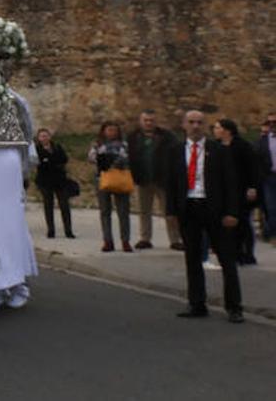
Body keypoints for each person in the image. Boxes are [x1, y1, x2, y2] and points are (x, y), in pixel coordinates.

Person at [166, 110, 243, 323]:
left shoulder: (218, 150)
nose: (196, 126)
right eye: (191, 122)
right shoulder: (175, 151)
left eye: (200, 122)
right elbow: (171, 182)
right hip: (189, 207)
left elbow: (231, 183)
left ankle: (234, 306)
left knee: (227, 258)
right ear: (184, 125)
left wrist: (232, 212)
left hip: (214, 208)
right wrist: (171, 211)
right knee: (192, 258)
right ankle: (197, 303)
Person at [125, 109, 180, 250]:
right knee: (144, 211)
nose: (149, 123)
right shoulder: (133, 137)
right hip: (143, 178)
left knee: (169, 211)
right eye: (146, 120)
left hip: (163, 179)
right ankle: (145, 238)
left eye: (151, 120)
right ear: (141, 121)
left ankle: (175, 239)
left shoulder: (167, 137)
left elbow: (176, 154)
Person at [213, 118, 260, 265]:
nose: (215, 131)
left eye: (217, 128)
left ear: (227, 130)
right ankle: (232, 253)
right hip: (224, 192)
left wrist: (252, 187)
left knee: (244, 223)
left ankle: (247, 254)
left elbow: (253, 168)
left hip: (242, 190)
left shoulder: (243, 146)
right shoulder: (216, 147)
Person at [88, 121, 133, 252]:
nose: (112, 133)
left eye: (114, 130)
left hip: (120, 178)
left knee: (123, 211)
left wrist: (112, 161)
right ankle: (108, 240)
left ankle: (125, 240)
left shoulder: (124, 144)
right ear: (103, 131)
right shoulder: (97, 144)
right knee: (105, 211)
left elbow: (127, 158)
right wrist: (105, 159)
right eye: (109, 130)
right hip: (102, 179)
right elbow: (91, 158)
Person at [34, 129, 75, 239]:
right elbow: (39, 163)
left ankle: (68, 230)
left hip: (60, 180)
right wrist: (50, 160)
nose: (44, 138)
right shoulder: (36, 149)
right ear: (38, 138)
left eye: (46, 136)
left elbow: (64, 159)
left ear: (50, 137)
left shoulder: (57, 147)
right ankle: (51, 230)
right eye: (42, 136)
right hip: (45, 181)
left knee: (64, 205)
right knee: (48, 205)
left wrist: (49, 160)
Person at [259, 112, 276, 244]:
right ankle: (272, 234)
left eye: (274, 122)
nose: (272, 125)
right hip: (269, 177)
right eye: (270, 122)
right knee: (270, 207)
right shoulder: (263, 140)